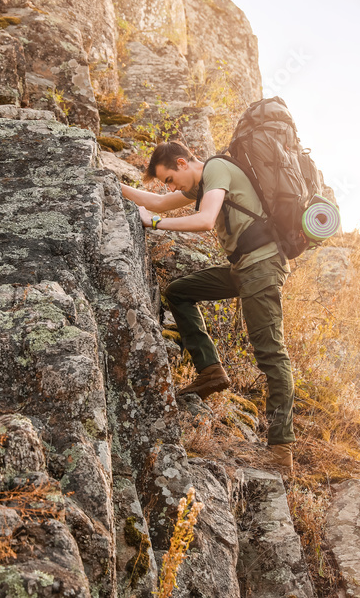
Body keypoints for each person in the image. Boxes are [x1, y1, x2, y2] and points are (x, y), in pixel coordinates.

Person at [120, 140, 296, 472]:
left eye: (169, 178)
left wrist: (153, 225)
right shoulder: (200, 185)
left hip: (261, 266)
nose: (169, 186)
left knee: (271, 353)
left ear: (183, 163)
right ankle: (211, 371)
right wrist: (111, 184)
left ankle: (281, 449)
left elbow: (204, 220)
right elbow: (157, 202)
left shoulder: (216, 169)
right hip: (242, 268)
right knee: (180, 291)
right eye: (166, 183)